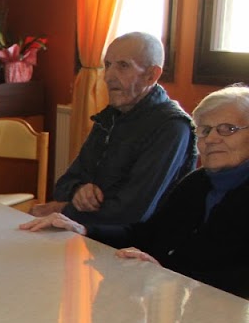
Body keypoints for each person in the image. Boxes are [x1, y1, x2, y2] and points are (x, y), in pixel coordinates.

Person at [20, 84, 249, 299]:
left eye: (228, 129)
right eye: (205, 130)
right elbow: (148, 234)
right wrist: (83, 228)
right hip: (186, 300)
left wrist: (166, 271)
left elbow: (235, 276)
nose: (211, 139)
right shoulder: (197, 183)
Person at [31, 32, 196, 225]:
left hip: (137, 242)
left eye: (123, 66)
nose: (108, 77)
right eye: (107, 65)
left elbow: (131, 213)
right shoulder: (111, 116)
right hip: (89, 230)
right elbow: (63, 185)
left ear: (151, 75)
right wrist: (78, 190)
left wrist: (62, 210)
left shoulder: (172, 128)